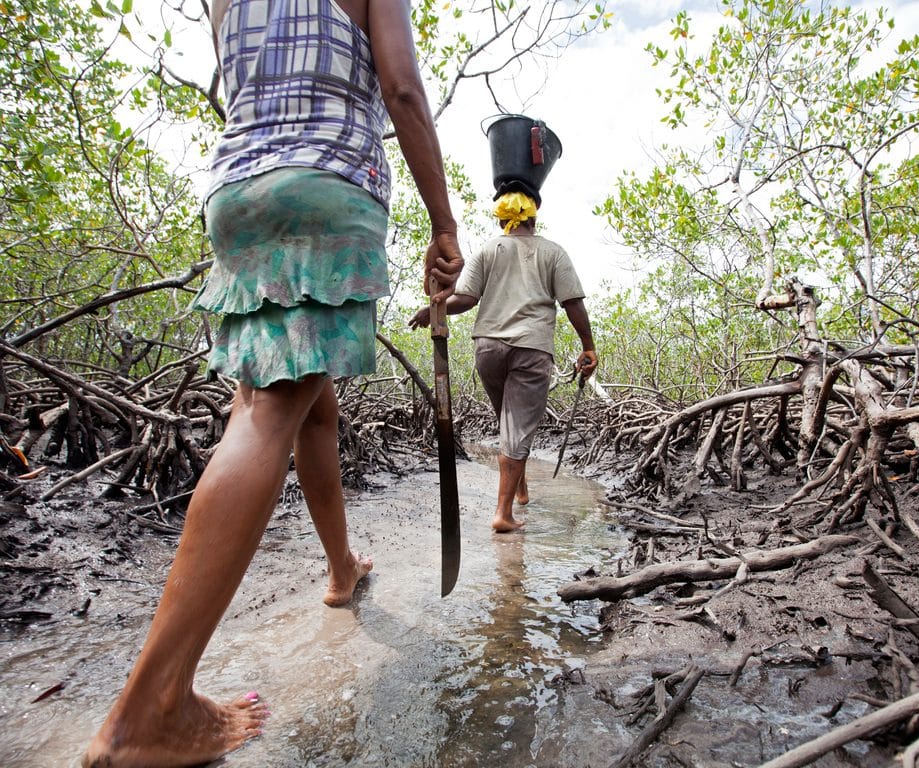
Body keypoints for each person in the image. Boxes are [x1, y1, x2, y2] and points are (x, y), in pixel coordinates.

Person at [83, 0, 464, 765]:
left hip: (236, 192)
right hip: (326, 182)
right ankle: (149, 713)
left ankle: (340, 567)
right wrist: (444, 222)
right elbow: (402, 90)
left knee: (304, 403)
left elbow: (243, 82)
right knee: (264, 415)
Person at [410, 191, 597, 533]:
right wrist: (588, 347)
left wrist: (434, 308)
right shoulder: (553, 252)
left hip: (489, 348)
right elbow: (573, 303)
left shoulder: (488, 249)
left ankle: (521, 488)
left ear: (502, 221)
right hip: (531, 347)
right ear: (533, 219)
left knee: (508, 419)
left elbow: (464, 299)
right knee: (518, 425)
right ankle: (503, 515)